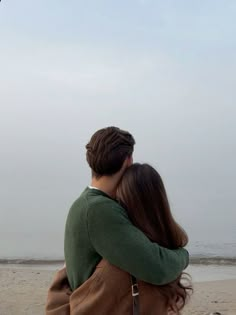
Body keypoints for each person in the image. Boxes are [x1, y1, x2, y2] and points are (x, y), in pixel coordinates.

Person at [46, 127, 190, 314]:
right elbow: (157, 268)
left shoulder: (87, 203)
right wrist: (183, 255)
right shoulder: (98, 209)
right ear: (128, 161)